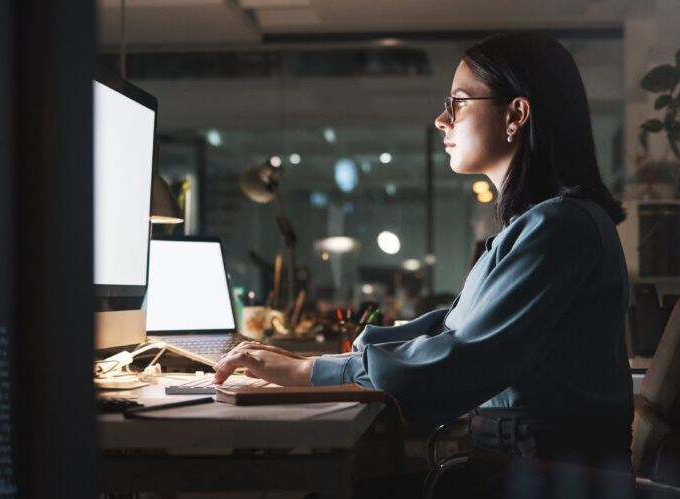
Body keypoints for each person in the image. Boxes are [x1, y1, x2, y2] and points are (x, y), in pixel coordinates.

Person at [213, 32, 633, 497]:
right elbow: (448, 329)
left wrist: (309, 374)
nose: (441, 120)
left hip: (536, 479)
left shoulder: (558, 227)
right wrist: (321, 363)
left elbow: (460, 361)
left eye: (457, 103)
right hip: (524, 467)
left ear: (516, 114)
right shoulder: (541, 224)